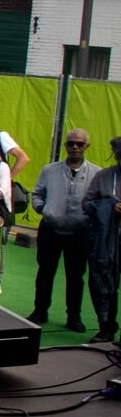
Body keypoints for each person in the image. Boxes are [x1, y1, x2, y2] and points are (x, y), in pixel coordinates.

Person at [30, 129, 95, 330]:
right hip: (50, 228)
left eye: (79, 144)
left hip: (79, 232)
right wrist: (44, 210)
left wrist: (88, 218)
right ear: (65, 145)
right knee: (45, 272)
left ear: (86, 147)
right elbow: (37, 194)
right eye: (71, 143)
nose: (74, 147)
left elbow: (98, 201)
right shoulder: (49, 170)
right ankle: (40, 311)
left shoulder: (96, 173)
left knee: (75, 276)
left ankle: (74, 317)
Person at [85, 135, 121, 343]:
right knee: (104, 284)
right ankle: (106, 327)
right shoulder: (104, 177)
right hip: (107, 243)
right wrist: (107, 205)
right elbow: (87, 204)